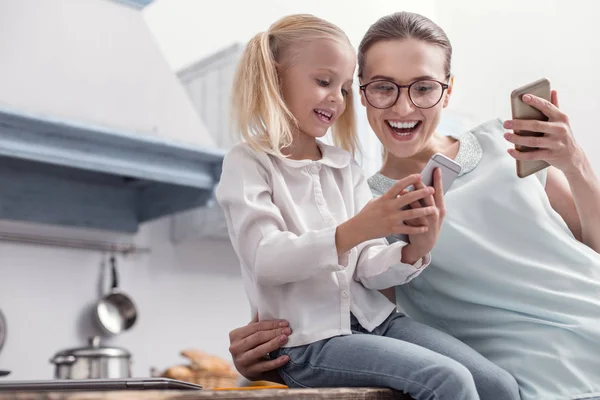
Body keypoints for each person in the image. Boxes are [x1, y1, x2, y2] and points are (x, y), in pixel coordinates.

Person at [225, 11, 600, 400]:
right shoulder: (373, 209)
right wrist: (259, 354)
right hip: (548, 380)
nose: (404, 108)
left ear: (448, 90)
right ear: (365, 93)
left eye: (423, 88)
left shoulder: (503, 143)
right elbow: (349, 317)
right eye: (384, 87)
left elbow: (594, 247)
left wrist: (577, 164)